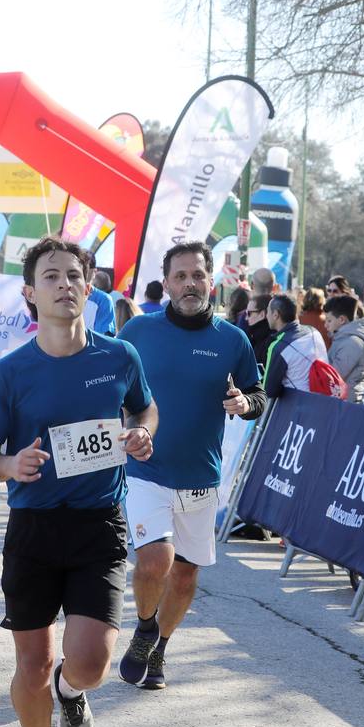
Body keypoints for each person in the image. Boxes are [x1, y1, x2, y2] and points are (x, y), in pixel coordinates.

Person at [0, 237, 157, 727]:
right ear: (30, 293)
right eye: (50, 276)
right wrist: (8, 465)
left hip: (99, 525)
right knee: (31, 662)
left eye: (74, 275)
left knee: (93, 662)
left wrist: (143, 433)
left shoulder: (118, 357)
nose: (64, 284)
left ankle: (71, 692)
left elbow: (143, 407)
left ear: (89, 285)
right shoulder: (10, 372)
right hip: (33, 530)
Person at [117, 242, 266, 690]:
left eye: (197, 275)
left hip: (201, 476)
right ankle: (145, 626)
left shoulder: (232, 339)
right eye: (180, 276)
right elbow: (109, 380)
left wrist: (245, 402)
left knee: (184, 575)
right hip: (146, 469)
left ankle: (158, 646)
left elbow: (257, 394)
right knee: (154, 561)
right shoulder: (140, 332)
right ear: (166, 283)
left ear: (211, 279)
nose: (189, 284)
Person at [263, 294, 329, 397]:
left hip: (298, 407)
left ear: (276, 315)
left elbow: (269, 391)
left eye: (267, 311)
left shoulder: (278, 347)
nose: (266, 315)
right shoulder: (314, 331)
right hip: (325, 401)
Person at [324, 295, 364, 403]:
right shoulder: (342, 339)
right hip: (341, 402)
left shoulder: (352, 343)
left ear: (341, 320)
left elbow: (333, 376)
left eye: (329, 320)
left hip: (347, 405)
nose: (325, 325)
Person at [243, 294, 275, 365]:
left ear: (262, 314)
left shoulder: (269, 341)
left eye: (249, 313)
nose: (246, 318)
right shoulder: (253, 336)